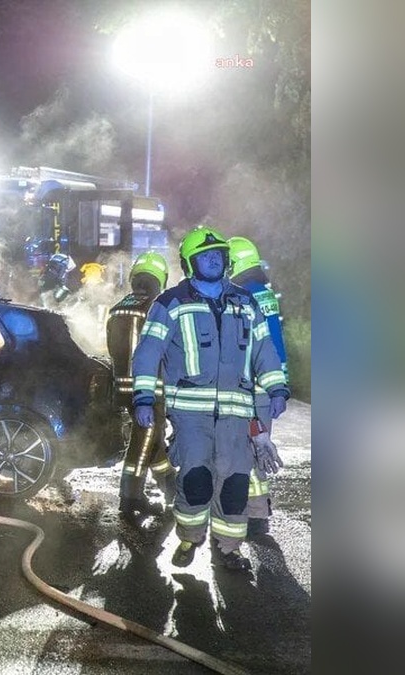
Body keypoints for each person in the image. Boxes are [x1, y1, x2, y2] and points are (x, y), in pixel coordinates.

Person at [131, 227, 289, 572]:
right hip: (191, 417)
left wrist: (277, 388)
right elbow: (147, 353)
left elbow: (265, 349)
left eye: (218, 255)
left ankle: (229, 549)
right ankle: (190, 537)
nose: (213, 260)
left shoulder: (245, 303)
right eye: (205, 256)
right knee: (196, 480)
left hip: (237, 416)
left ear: (227, 261)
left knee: (234, 484)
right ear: (190, 263)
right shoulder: (170, 303)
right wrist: (143, 399)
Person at [106, 252, 177, 523]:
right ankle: (131, 497)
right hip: (150, 389)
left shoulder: (118, 307)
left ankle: (172, 489)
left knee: (152, 440)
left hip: (123, 388)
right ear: (160, 280)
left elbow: (113, 350)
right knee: (143, 442)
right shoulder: (158, 308)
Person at [228, 236, 289, 537]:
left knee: (244, 450)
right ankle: (258, 511)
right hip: (267, 387)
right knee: (259, 447)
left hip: (249, 388)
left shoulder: (243, 298)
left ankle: (251, 515)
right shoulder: (265, 293)